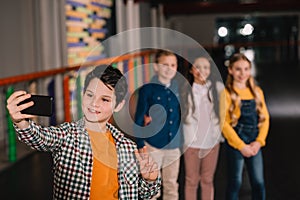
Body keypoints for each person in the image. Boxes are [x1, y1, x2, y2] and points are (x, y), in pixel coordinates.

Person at [6, 65, 161, 200]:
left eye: (105, 99)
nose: (94, 103)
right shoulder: (68, 136)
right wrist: (21, 122)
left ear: (119, 105)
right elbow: (39, 138)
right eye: (90, 95)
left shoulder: (128, 147)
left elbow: (144, 193)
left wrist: (150, 180)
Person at [219, 53, 270, 200]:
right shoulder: (226, 93)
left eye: (246, 69)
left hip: (254, 142)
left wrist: (259, 142)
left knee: (259, 182)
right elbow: (224, 123)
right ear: (230, 70)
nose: (243, 73)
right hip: (236, 143)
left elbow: (265, 119)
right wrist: (241, 146)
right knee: (235, 182)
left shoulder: (257, 92)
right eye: (238, 69)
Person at [134, 49, 182, 200]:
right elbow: (139, 118)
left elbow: (181, 114)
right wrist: (141, 144)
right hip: (153, 145)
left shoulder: (178, 87)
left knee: (171, 185)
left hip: (174, 145)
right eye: (165, 64)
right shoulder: (147, 89)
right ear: (156, 66)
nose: (169, 68)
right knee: (152, 188)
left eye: (173, 65)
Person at [182, 56, 224, 200]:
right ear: (192, 70)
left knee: (207, 180)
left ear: (210, 70)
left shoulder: (218, 88)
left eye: (206, 67)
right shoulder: (186, 90)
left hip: (211, 142)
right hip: (192, 143)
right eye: (198, 67)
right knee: (191, 180)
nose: (202, 70)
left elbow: (227, 110)